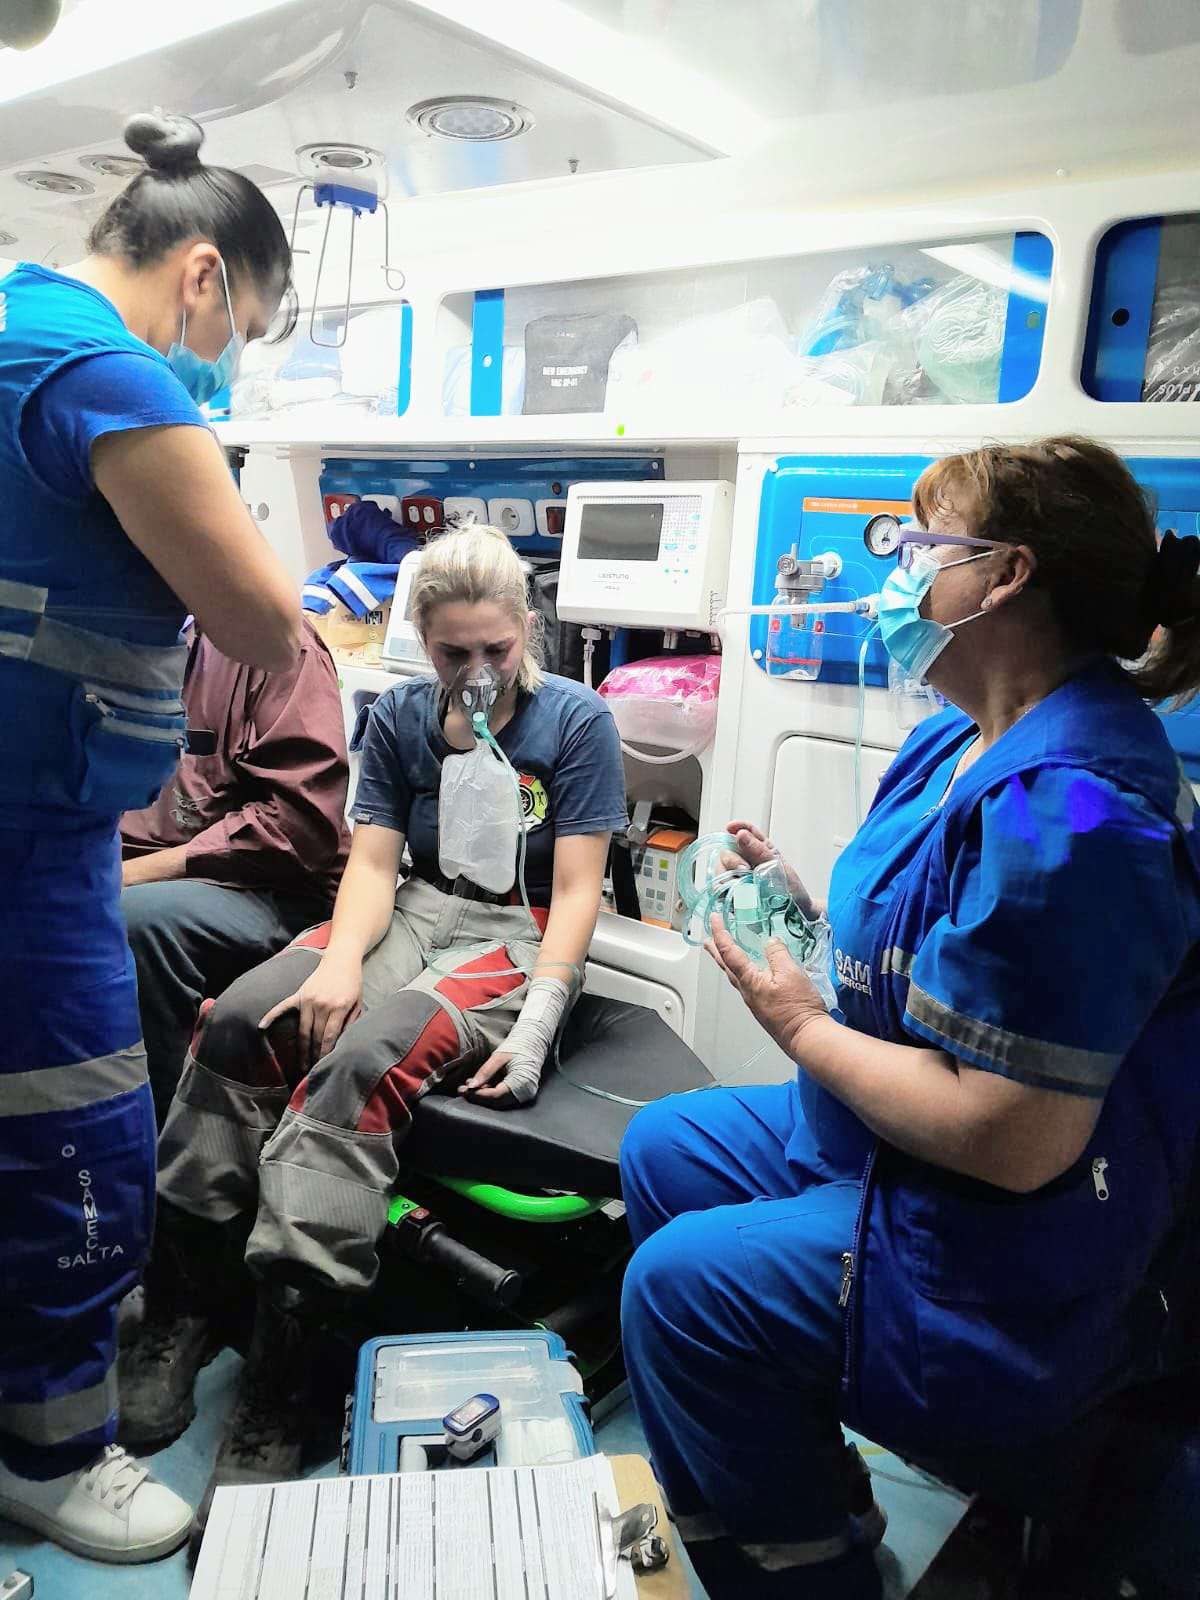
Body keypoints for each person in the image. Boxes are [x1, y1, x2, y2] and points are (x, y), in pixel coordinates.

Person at [619, 437, 1200, 1600]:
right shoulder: (958, 735)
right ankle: (805, 1478)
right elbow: (935, 947)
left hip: (1010, 1230)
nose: (891, 574)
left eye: (915, 546)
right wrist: (800, 911)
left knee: (678, 1290)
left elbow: (1012, 1135)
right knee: (663, 1146)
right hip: (908, 1144)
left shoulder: (1074, 810)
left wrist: (801, 1029)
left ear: (1006, 575)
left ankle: (806, 1568)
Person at [119, 523, 628, 1552]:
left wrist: (539, 1019)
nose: (478, 672)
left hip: (515, 930)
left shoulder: (575, 723)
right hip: (412, 908)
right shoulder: (400, 716)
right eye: (454, 652)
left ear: (527, 631)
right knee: (243, 1021)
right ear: (422, 643)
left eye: (496, 649)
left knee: (361, 1064)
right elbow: (373, 864)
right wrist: (342, 960)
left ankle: (287, 1379)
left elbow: (576, 890)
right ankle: (186, 1305)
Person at [0, 110, 301, 1563]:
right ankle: (55, 1455)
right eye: (243, 332)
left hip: (34, 817)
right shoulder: (104, 372)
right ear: (201, 276)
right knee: (79, 1137)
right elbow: (265, 622)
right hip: (27, 844)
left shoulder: (11, 327)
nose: (226, 364)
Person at [121, 619, 351, 1126]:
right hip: (138, 869)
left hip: (272, 884)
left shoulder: (273, 645)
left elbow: (297, 828)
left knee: (134, 921)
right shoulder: (110, 636)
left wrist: (132, 874)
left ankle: (158, 1146)